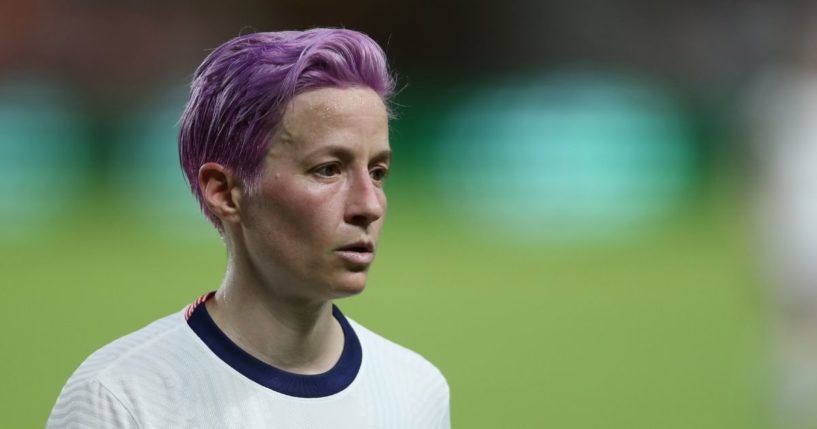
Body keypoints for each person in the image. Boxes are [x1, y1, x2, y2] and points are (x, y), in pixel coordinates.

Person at [47, 28, 450, 428]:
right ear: (224, 191)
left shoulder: (415, 390)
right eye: (328, 169)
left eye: (378, 172)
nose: (369, 204)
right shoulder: (121, 399)